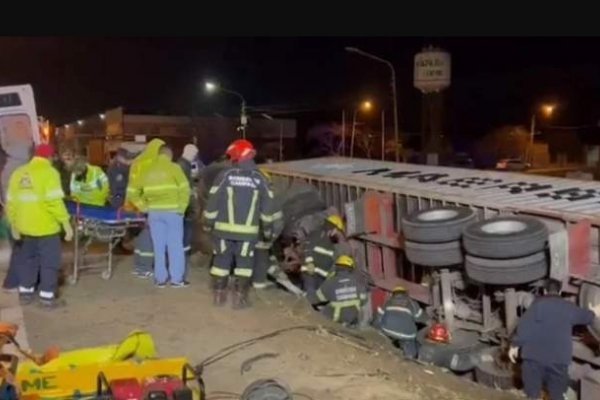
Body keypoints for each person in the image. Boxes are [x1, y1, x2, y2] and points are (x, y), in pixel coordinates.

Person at [202, 139, 275, 309]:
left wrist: (208, 223)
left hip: (222, 231)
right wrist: (268, 231)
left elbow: (212, 203)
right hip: (247, 234)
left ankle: (219, 297)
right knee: (244, 265)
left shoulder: (224, 176)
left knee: (221, 262)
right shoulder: (261, 179)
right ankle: (240, 299)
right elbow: (267, 210)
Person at [509, 278, 600, 400]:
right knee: (557, 394)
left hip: (533, 358)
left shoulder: (535, 306)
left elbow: (523, 326)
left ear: (545, 291)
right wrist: (594, 312)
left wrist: (514, 346)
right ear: (560, 291)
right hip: (558, 360)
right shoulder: (568, 308)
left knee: (532, 394)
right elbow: (587, 317)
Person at [6, 144, 73, 308]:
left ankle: (25, 294)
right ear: (49, 157)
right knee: (49, 263)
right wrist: (66, 224)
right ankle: (47, 298)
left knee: (28, 261)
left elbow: (11, 203)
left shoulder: (18, 173)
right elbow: (54, 203)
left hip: (24, 229)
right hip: (47, 229)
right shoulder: (50, 173)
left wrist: (13, 225)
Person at [129, 145, 190, 288]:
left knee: (158, 247)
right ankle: (176, 280)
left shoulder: (146, 170)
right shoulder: (174, 168)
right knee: (175, 246)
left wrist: (144, 207)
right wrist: (182, 208)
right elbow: (185, 189)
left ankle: (160, 279)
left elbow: (132, 192)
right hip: (173, 212)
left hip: (154, 213)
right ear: (169, 155)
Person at [125, 138, 165, 278]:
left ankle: (139, 265)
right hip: (146, 205)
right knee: (149, 236)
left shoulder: (138, 161)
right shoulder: (151, 163)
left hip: (133, 205)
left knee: (142, 236)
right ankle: (145, 268)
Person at [1, 145, 32, 292]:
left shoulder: (8, 172)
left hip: (11, 216)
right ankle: (15, 283)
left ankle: (13, 283)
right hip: (17, 218)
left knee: (18, 250)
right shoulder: (15, 172)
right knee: (21, 250)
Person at [300, 214, 346, 304]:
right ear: (333, 228)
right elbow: (308, 248)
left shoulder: (331, 245)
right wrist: (310, 263)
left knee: (317, 300)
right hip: (310, 273)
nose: (336, 233)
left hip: (321, 278)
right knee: (310, 297)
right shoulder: (317, 234)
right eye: (337, 230)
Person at [312, 255, 368, 327]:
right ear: (351, 269)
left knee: (318, 311)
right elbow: (364, 300)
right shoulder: (358, 283)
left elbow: (316, 299)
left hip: (335, 318)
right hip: (353, 317)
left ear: (337, 267)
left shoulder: (330, 282)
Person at [375, 286, 428, 359]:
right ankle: (410, 356)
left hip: (387, 331)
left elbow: (378, 316)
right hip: (406, 335)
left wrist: (378, 327)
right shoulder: (412, 303)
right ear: (406, 294)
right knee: (411, 342)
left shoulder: (388, 302)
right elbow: (421, 318)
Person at [253, 167, 284, 290]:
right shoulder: (269, 197)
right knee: (261, 255)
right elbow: (275, 220)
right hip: (263, 233)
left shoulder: (251, 195)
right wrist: (269, 235)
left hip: (253, 233)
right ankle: (259, 283)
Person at [177, 144, 200, 268]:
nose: (195, 157)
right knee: (187, 227)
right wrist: (193, 204)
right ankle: (184, 252)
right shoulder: (183, 165)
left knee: (186, 228)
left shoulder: (181, 164)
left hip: (183, 202)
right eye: (194, 154)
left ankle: (184, 251)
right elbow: (186, 187)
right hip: (185, 203)